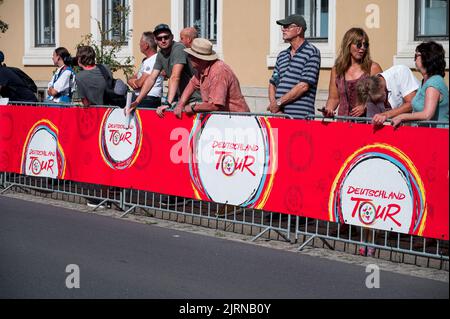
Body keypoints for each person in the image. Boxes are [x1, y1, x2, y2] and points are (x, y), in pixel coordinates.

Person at [157, 38, 249, 118]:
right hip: (224, 118)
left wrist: (193, 108)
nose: (188, 57)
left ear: (198, 59)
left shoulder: (218, 71)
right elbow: (192, 85)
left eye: (191, 56)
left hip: (237, 120)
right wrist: (180, 104)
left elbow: (215, 105)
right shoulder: (202, 69)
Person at [128, 23, 201, 114]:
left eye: (166, 37)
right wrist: (137, 101)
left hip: (195, 99)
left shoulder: (178, 48)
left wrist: (168, 103)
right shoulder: (160, 54)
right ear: (155, 40)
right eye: (159, 38)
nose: (163, 40)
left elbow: (175, 77)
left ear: (172, 37)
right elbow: (151, 78)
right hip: (182, 99)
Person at [268, 14, 321, 118]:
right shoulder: (282, 55)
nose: (283, 29)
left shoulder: (312, 52)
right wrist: (275, 108)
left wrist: (278, 103)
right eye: (283, 27)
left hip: (301, 118)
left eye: (287, 26)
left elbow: (303, 86)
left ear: (299, 30)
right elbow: (273, 83)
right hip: (279, 117)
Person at [322, 28, 382, 118]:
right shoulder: (337, 69)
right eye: (358, 44)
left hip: (366, 124)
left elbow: (382, 96)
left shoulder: (373, 68)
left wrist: (365, 106)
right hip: (343, 124)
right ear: (348, 45)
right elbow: (334, 98)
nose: (362, 48)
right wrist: (328, 110)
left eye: (365, 45)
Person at [391, 41, 448, 127]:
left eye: (416, 55)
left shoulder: (434, 83)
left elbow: (427, 115)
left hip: (437, 136)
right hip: (425, 134)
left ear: (427, 57)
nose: (414, 59)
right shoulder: (425, 81)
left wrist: (402, 116)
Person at [127, 32, 163, 108]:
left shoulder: (152, 61)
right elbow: (135, 76)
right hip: (145, 98)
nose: (139, 44)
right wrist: (131, 80)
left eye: (141, 42)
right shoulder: (147, 60)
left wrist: (131, 81)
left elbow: (139, 84)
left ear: (146, 45)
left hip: (148, 99)